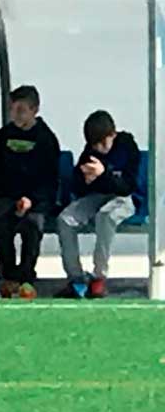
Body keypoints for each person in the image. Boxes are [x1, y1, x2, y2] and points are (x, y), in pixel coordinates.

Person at [55, 110, 140, 299]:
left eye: (104, 143)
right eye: (95, 145)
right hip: (97, 197)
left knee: (105, 216)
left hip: (124, 199)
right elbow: (79, 187)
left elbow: (127, 186)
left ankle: (99, 276)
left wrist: (104, 174)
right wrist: (85, 178)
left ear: (113, 135)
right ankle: (76, 277)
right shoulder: (91, 151)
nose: (100, 149)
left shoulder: (127, 146)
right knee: (65, 220)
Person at [0, 86, 60, 300]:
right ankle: (9, 277)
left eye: (21, 110)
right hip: (9, 196)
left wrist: (32, 199)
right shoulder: (5, 135)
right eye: (13, 109)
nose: (16, 114)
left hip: (36, 200)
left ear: (34, 110)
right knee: (1, 223)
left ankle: (27, 277)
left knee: (32, 225)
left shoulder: (46, 139)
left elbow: (50, 178)